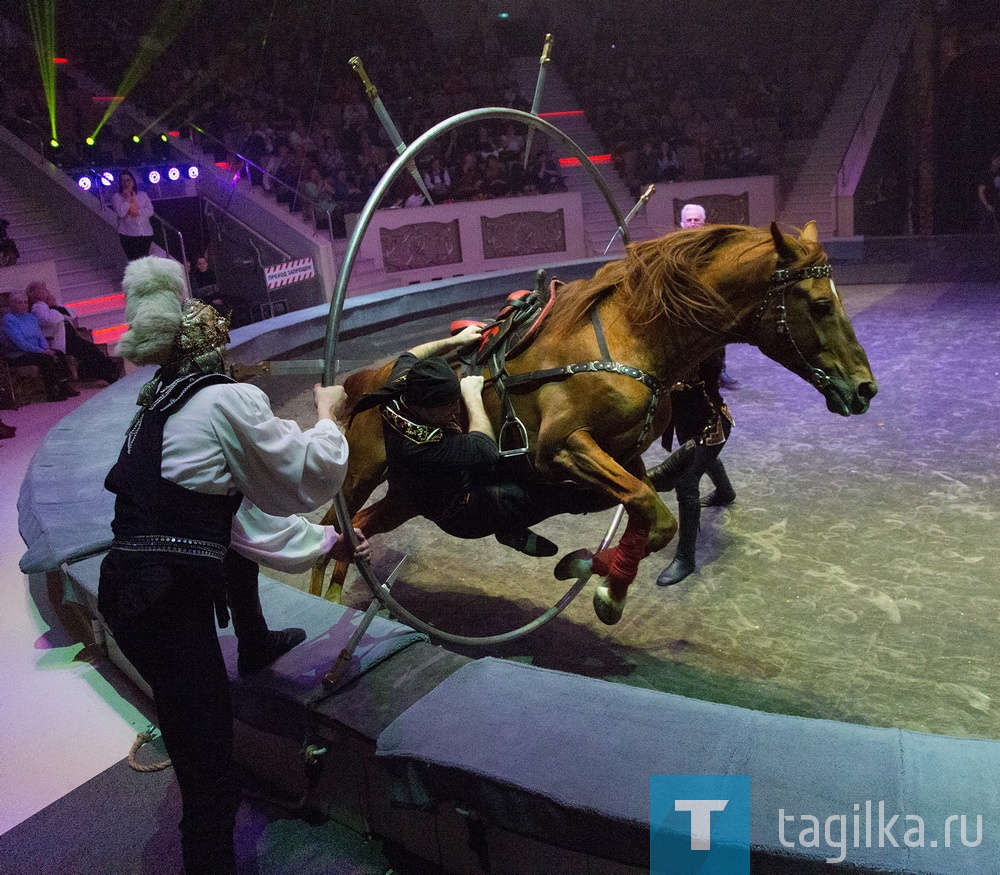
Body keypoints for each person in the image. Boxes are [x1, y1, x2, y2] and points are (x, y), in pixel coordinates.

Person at [96, 255, 366, 875]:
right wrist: (329, 415)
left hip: (131, 591)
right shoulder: (223, 401)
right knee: (208, 766)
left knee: (197, 730)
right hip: (165, 601)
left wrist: (324, 546)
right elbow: (306, 474)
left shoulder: (157, 402)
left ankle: (249, 654)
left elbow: (233, 521)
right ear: (211, 352)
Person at [349, 327, 561, 558]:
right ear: (426, 409)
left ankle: (512, 526)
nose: (454, 411)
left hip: (456, 479)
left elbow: (410, 355)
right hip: (465, 511)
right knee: (560, 494)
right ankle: (508, 528)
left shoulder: (405, 385)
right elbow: (485, 448)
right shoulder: (420, 445)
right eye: (449, 407)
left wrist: (455, 341)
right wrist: (472, 398)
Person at [647, 348, 737, 587]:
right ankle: (725, 492)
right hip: (686, 423)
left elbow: (708, 370)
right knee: (701, 461)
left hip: (710, 425)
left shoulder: (706, 346)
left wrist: (674, 382)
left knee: (686, 480)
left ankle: (685, 558)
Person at [679, 204, 739, 389]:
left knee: (718, 336)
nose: (693, 223)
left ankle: (720, 370)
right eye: (689, 220)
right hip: (685, 299)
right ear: (682, 223)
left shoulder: (714, 245)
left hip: (710, 297)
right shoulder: (675, 246)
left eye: (697, 220)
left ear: (704, 223)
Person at [26, 281, 121, 384]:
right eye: (44, 290)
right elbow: (52, 320)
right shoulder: (37, 307)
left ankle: (110, 371)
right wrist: (52, 307)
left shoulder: (51, 303)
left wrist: (54, 305)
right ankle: (109, 371)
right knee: (88, 351)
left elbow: (71, 314)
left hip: (71, 337)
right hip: (60, 341)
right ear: (37, 294)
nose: (48, 292)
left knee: (91, 349)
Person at [1, 289, 79, 401]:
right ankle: (52, 391)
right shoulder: (8, 320)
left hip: (36, 351)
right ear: (12, 305)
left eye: (25, 302)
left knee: (59, 354)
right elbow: (20, 343)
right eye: (19, 303)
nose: (23, 305)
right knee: (45, 359)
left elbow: (40, 336)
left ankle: (64, 386)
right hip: (18, 354)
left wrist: (46, 348)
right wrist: (42, 351)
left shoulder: (30, 317)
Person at [112, 170, 156, 261]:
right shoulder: (117, 197)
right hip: (128, 234)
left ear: (133, 181)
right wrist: (127, 199)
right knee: (134, 261)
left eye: (128, 180)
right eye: (123, 181)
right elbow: (121, 213)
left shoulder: (142, 195)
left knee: (143, 260)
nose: (126, 183)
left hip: (145, 233)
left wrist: (137, 212)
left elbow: (150, 211)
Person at [976, 153, 1000, 233]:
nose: (998, 162)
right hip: (986, 206)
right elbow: (981, 191)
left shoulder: (998, 174)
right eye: (996, 160)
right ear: (992, 161)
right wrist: (987, 205)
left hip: (996, 204)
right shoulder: (987, 174)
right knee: (985, 229)